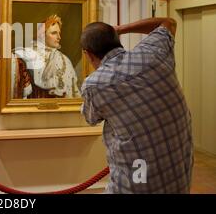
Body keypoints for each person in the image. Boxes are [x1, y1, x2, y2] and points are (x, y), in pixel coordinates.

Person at [80, 17, 193, 193]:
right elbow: (168, 22)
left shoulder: (94, 84)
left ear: (88, 54)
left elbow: (90, 118)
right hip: (177, 178)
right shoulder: (153, 52)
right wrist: (120, 28)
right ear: (117, 39)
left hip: (136, 184)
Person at [11, 14, 81, 99]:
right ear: (42, 35)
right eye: (54, 33)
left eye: (59, 33)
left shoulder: (64, 60)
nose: (59, 37)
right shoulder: (26, 54)